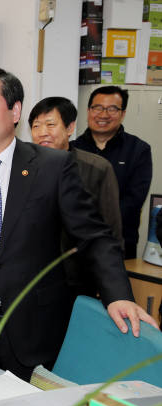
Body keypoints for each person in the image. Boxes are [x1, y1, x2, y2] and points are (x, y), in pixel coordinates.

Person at [0, 68, 158, 381]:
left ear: (15, 111)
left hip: (38, 332)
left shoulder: (53, 167)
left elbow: (94, 236)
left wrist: (118, 294)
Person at [28, 96, 123, 297]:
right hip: (33, 278)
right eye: (36, 126)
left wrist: (107, 285)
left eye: (50, 124)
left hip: (78, 279)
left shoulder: (97, 168)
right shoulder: (23, 168)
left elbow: (111, 230)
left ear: (70, 128)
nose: (42, 132)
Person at [71, 86, 153, 259]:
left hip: (119, 243)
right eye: (98, 108)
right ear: (88, 111)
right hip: (76, 242)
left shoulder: (139, 150)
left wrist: (95, 223)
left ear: (122, 114)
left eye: (112, 109)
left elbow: (134, 199)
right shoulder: (73, 149)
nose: (103, 115)